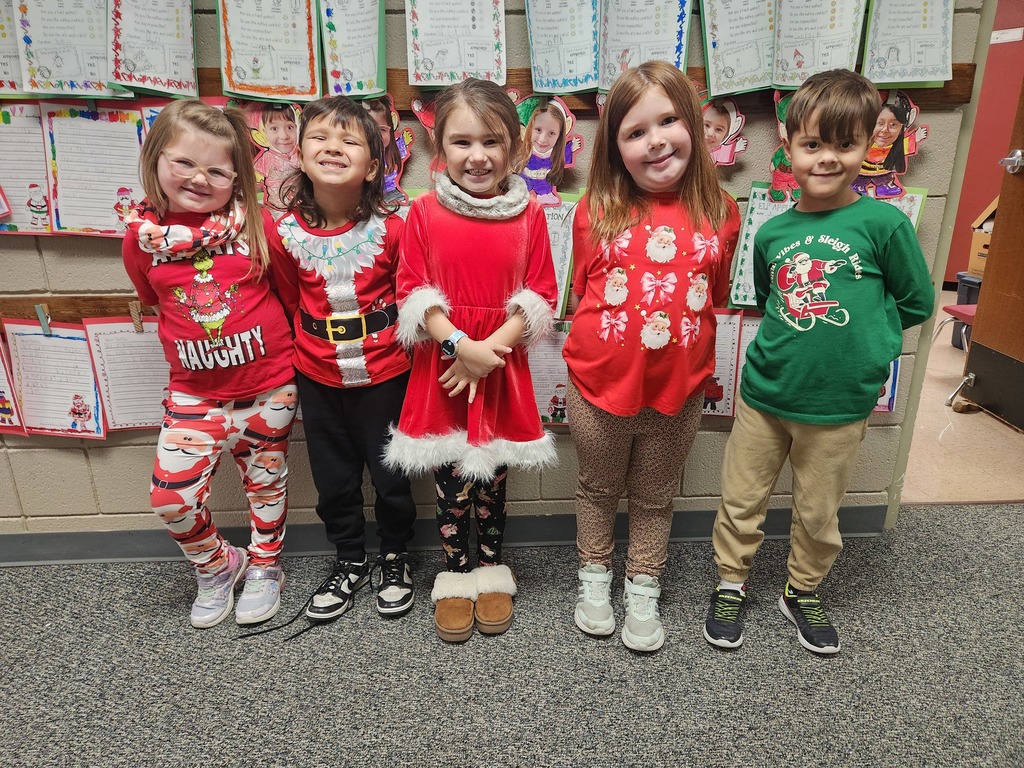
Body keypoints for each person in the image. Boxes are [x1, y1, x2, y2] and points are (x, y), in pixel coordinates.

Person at [702, 69, 934, 656]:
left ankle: (801, 590)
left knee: (818, 510)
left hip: (838, 404)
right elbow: (766, 297)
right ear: (788, 144)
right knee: (740, 499)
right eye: (812, 145)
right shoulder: (773, 231)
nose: (826, 159)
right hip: (765, 393)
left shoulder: (884, 224)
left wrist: (868, 348)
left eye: (844, 144)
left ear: (866, 146)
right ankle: (731, 583)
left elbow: (917, 302)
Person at [564, 60, 740, 653]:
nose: (656, 139)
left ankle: (643, 587)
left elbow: (711, 299)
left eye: (668, 121)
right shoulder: (595, 210)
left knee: (655, 495)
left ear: (693, 123)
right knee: (596, 488)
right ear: (615, 147)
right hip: (598, 385)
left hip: (679, 389)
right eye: (636, 131)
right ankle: (593, 580)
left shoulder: (722, 212)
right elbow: (582, 289)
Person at [384, 78, 558, 643]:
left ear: (514, 145)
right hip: (446, 368)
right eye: (461, 142)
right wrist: (462, 346)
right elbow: (412, 290)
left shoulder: (530, 214)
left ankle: (490, 569)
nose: (477, 156)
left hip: (501, 366)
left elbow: (539, 293)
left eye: (491, 141)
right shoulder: (423, 212)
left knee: (493, 477)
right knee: (452, 478)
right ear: (440, 149)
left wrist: (489, 353)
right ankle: (456, 575)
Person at [122, 99, 298, 629]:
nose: (199, 178)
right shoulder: (142, 240)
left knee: (266, 484)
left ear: (237, 176)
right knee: (170, 497)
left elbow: (287, 294)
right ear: (155, 159)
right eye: (184, 163)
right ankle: (219, 566)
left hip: (269, 387)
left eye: (217, 170)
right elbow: (152, 299)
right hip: (193, 394)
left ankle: (267, 566)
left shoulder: (258, 227)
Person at [268, 95, 418, 622]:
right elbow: (289, 300)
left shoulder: (394, 229)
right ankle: (349, 558)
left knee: (391, 473)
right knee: (333, 479)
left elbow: (410, 298)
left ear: (374, 166)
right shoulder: (281, 232)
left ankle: (396, 555)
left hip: (386, 373)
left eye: (350, 140)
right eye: (321, 138)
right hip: (317, 373)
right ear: (301, 156)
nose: (334, 147)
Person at [852, 92, 927, 199]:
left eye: (893, 125)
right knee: (858, 184)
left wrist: (915, 138)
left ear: (902, 126)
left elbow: (905, 145)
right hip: (861, 173)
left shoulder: (897, 146)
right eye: (879, 123)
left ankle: (884, 187)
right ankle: (858, 186)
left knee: (885, 182)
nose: (885, 130)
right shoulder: (861, 144)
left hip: (884, 174)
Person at [513, 99, 573, 206]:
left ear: (560, 135)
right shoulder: (524, 152)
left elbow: (565, 158)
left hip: (544, 187)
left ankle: (544, 194)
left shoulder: (554, 155)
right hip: (523, 188)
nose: (543, 139)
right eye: (538, 130)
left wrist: (571, 148)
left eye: (552, 133)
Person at [363, 95, 413, 205]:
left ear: (390, 131)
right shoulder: (356, 155)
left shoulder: (391, 152)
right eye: (369, 129)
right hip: (364, 195)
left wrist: (405, 141)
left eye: (382, 129)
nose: (377, 135)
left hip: (390, 193)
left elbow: (402, 149)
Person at [252, 103, 300, 212]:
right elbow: (256, 186)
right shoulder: (265, 159)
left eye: (289, 127)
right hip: (273, 208)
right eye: (274, 128)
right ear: (264, 132)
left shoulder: (301, 155)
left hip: (300, 209)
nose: (284, 136)